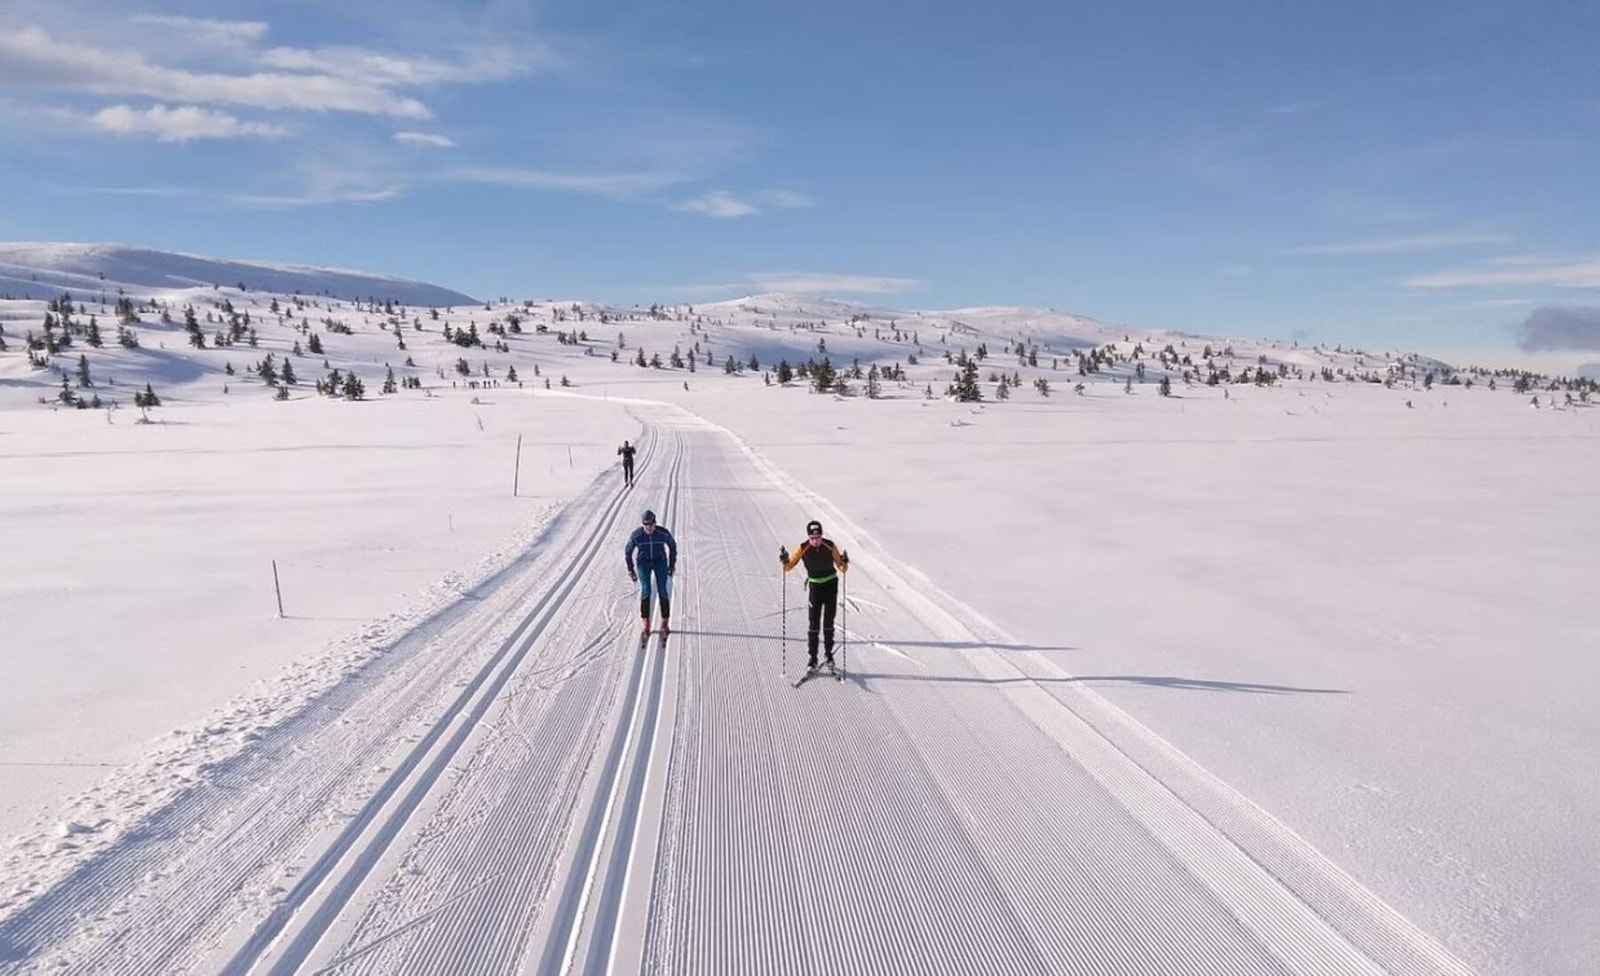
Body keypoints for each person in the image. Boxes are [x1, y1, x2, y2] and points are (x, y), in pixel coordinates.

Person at [781, 519, 849, 672]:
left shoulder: (829, 545)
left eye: (818, 538)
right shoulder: (802, 548)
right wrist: (784, 560)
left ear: (821, 536)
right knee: (813, 625)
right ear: (808, 537)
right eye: (812, 538)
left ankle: (829, 655)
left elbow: (841, 567)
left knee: (828, 624)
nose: (816, 541)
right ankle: (813, 658)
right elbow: (788, 566)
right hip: (815, 588)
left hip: (831, 586)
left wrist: (844, 562)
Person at [625, 509, 677, 634]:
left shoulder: (662, 533)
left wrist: (671, 564)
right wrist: (630, 569)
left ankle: (664, 622)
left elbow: (672, 546)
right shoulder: (637, 535)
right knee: (646, 589)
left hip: (660, 561)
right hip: (644, 563)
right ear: (643, 524)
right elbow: (628, 551)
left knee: (662, 590)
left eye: (651, 524)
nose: (648, 527)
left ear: (655, 523)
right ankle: (645, 622)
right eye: (646, 525)